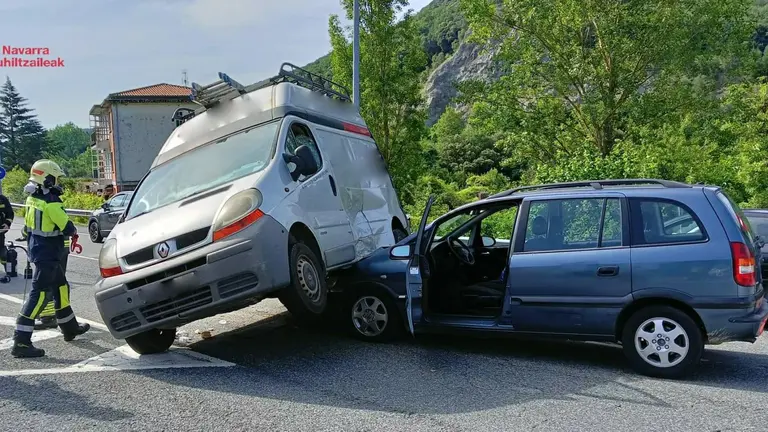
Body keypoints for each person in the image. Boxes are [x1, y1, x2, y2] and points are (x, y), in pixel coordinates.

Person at [12, 160, 89, 358]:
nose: (57, 182)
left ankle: (69, 327)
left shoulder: (32, 199)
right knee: (39, 295)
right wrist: (71, 228)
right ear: (46, 178)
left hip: (40, 251)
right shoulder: (51, 201)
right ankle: (21, 341)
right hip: (49, 254)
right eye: (55, 178)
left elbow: (27, 228)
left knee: (61, 287)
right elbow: (67, 227)